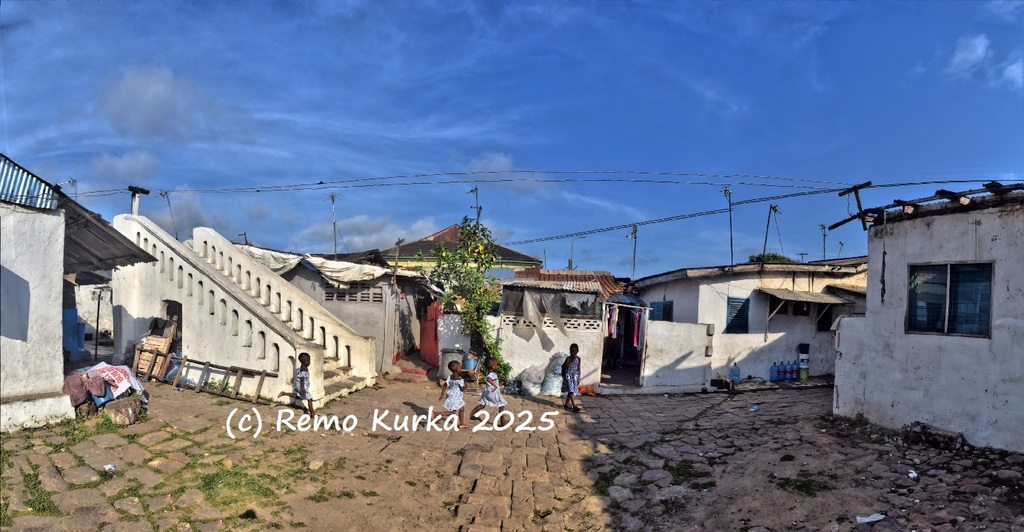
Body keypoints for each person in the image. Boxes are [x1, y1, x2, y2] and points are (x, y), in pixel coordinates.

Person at [438, 360, 468, 429]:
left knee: (461, 409)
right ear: (457, 369)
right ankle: (435, 414)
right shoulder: (459, 378)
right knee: (452, 412)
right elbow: (462, 389)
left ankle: (461, 423)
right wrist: (466, 385)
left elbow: (445, 384)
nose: (461, 369)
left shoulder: (450, 377)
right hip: (456, 397)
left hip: (451, 395)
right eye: (460, 368)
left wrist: (442, 394)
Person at [562, 344, 581, 412]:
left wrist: (578, 377)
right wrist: (572, 359)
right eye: (571, 351)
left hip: (574, 376)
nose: (572, 353)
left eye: (574, 351)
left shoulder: (578, 359)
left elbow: (579, 368)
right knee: (571, 391)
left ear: (577, 351)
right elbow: (565, 366)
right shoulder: (568, 358)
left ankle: (566, 404)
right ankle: (574, 406)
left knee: (571, 391)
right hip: (568, 376)